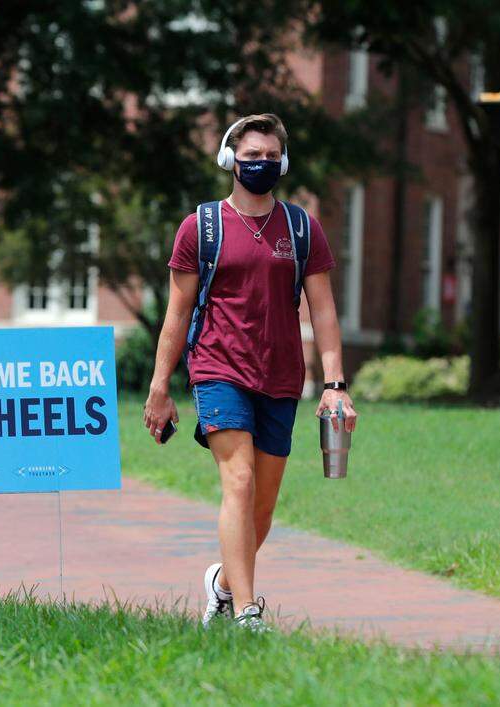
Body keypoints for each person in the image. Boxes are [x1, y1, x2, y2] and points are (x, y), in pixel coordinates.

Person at [143, 113, 358, 632]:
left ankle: (220, 586)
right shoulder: (202, 227)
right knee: (237, 482)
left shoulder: (301, 228)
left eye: (269, 156)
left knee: (262, 509)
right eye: (250, 155)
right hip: (218, 369)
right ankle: (248, 610)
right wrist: (159, 388)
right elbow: (177, 312)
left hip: (282, 377)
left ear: (281, 162)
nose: (260, 164)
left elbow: (324, 310)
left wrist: (334, 386)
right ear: (229, 160)